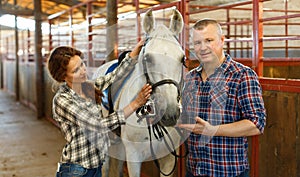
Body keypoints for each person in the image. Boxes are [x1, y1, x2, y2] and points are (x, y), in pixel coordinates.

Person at [47, 40, 152, 177]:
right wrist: (135, 104)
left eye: (82, 65)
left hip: (95, 167)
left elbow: (115, 76)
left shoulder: (87, 87)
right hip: (76, 170)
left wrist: (134, 53)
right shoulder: (63, 100)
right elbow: (97, 125)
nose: (83, 71)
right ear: (63, 76)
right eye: (76, 70)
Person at [177, 19, 266, 177]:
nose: (203, 48)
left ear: (222, 40)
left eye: (209, 40)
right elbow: (184, 117)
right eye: (197, 43)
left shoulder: (242, 75)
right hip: (194, 169)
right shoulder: (191, 78)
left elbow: (256, 123)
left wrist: (213, 130)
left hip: (228, 171)